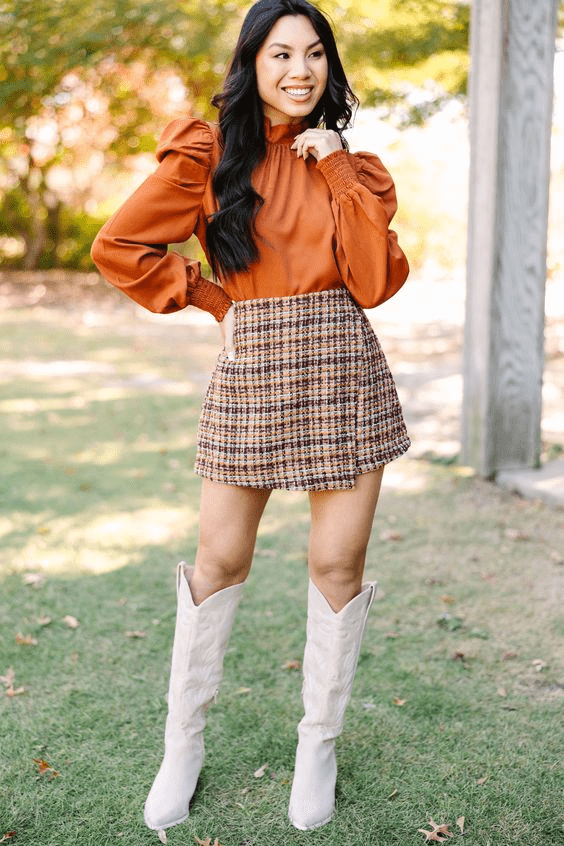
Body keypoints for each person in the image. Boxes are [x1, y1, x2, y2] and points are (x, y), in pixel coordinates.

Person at [91, 0, 410, 833]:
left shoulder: (357, 168)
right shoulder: (207, 156)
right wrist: (210, 298)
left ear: (329, 68)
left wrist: (337, 166)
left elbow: (374, 282)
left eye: (314, 55)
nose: (299, 70)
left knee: (338, 564)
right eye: (280, 55)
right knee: (219, 558)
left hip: (345, 369)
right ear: (252, 66)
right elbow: (120, 247)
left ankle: (319, 747)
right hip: (252, 371)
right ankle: (183, 744)